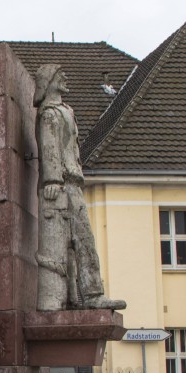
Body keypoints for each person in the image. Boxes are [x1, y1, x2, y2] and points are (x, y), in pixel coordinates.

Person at [33, 64, 125, 311]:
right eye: (59, 74)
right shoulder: (49, 113)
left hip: (73, 182)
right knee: (77, 239)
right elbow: (49, 147)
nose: (65, 77)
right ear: (49, 81)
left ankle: (83, 296)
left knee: (78, 240)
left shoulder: (66, 110)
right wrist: (52, 180)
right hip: (61, 184)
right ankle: (88, 295)